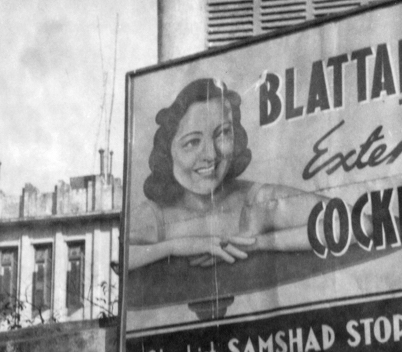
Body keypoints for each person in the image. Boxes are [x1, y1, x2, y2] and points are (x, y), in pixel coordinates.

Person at [129, 78, 327, 272]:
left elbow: (351, 223)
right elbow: (115, 259)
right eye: (192, 142)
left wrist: (258, 243)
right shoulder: (153, 216)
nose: (210, 155)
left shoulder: (258, 201)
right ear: (167, 151)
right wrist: (175, 246)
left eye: (223, 134)